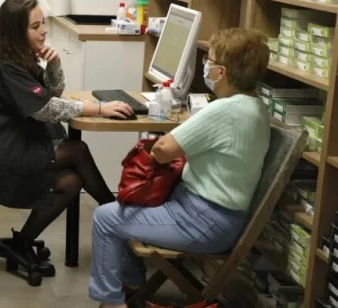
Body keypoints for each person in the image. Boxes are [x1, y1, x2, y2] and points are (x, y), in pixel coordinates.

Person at [88, 28, 271, 308]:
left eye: (209, 61)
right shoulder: (256, 107)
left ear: (221, 72)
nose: (205, 66)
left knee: (105, 218)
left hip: (203, 220)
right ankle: (132, 283)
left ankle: (112, 303)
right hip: (214, 215)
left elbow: (162, 151)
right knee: (128, 204)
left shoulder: (225, 110)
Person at [0, 0, 134, 276]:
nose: (43, 31)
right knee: (77, 152)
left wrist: (54, 65)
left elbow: (52, 92)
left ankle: (22, 243)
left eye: (43, 24)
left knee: (71, 181)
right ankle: (119, 219)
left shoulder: (21, 59)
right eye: (35, 26)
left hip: (10, 148)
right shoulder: (6, 67)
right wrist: (99, 108)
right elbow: (46, 109)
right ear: (16, 32)